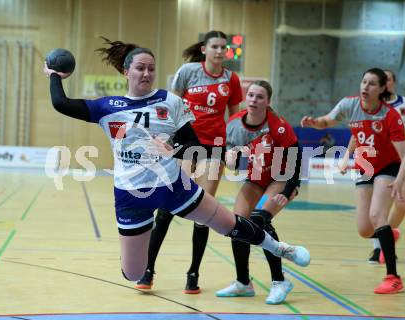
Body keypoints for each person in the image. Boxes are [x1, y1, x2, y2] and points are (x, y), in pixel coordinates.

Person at [44, 38, 308, 287]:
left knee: (230, 224)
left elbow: (194, 146)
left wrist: (173, 149)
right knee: (133, 272)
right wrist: (54, 75)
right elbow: (61, 103)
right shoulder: (106, 107)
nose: (146, 74)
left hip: (175, 186)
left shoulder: (170, 101)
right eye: (140, 68)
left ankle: (280, 248)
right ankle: (138, 264)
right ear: (126, 72)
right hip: (131, 195)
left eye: (151, 69)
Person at [136, 30, 243, 294]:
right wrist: (165, 139)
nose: (220, 51)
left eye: (223, 47)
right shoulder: (187, 71)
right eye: (215, 47)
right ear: (205, 50)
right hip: (185, 143)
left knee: (204, 212)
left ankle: (193, 273)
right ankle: (147, 269)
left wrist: (234, 148)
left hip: (214, 148)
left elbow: (235, 117)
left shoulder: (232, 79)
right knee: (168, 205)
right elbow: (169, 106)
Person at [301, 68, 405, 294]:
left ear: (382, 89)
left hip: (388, 166)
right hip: (366, 166)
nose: (365, 87)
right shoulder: (349, 105)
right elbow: (327, 121)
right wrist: (314, 123)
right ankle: (387, 233)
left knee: (376, 215)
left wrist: (399, 180)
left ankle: (393, 277)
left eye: (372, 84)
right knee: (364, 229)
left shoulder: (390, 115)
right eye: (363, 82)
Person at [215, 80, 308, 305]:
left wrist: (287, 192)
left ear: (267, 102)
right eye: (251, 96)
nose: (253, 100)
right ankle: (243, 283)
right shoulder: (235, 123)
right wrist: (228, 158)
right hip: (256, 178)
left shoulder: (279, 126)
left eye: (259, 97)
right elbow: (228, 154)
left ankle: (279, 281)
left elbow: (296, 162)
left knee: (259, 220)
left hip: (281, 178)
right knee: (235, 225)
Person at [339, 69, 405, 264]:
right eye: (383, 79)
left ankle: (388, 234)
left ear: (392, 83)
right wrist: (347, 156)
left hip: (399, 160)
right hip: (374, 163)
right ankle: (380, 247)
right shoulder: (369, 104)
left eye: (388, 79)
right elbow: (357, 134)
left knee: (402, 206)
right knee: (376, 214)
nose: (386, 82)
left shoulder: (404, 103)